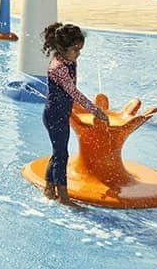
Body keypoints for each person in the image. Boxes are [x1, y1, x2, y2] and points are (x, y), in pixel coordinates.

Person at [41, 22, 109, 205]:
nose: (79, 53)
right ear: (61, 48)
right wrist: (95, 110)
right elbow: (74, 92)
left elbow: (72, 90)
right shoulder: (58, 68)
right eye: (75, 49)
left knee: (59, 152)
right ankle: (63, 197)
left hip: (62, 113)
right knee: (61, 155)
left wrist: (74, 108)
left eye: (80, 49)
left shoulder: (70, 61)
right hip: (54, 115)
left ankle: (49, 187)